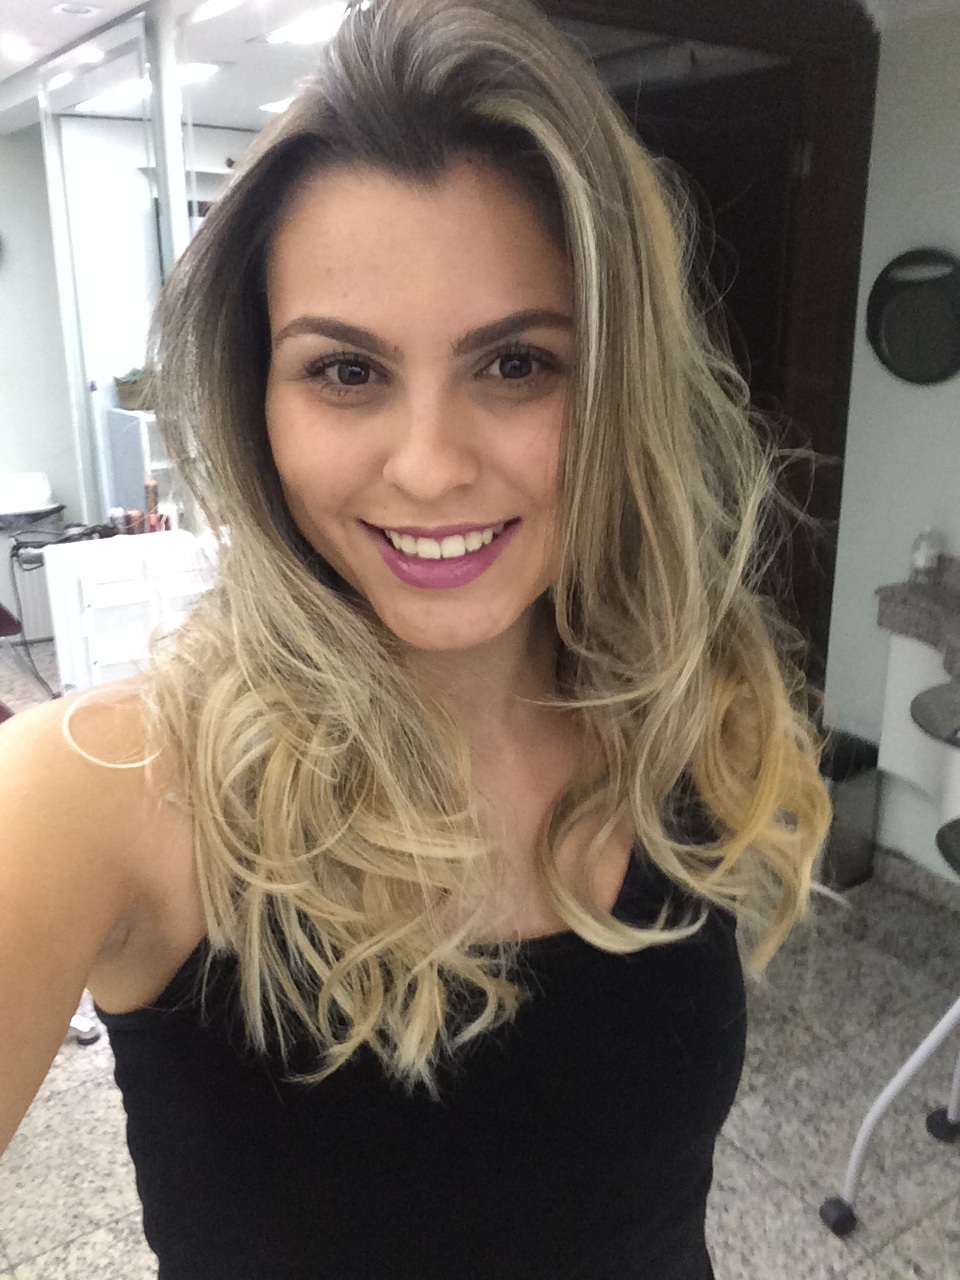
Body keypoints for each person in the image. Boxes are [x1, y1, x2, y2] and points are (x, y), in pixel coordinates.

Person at [0, 0, 837, 1275]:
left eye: (517, 364)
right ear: (256, 396)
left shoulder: (678, 712)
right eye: (347, 372)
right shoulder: (100, 792)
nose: (433, 466)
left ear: (619, 384)